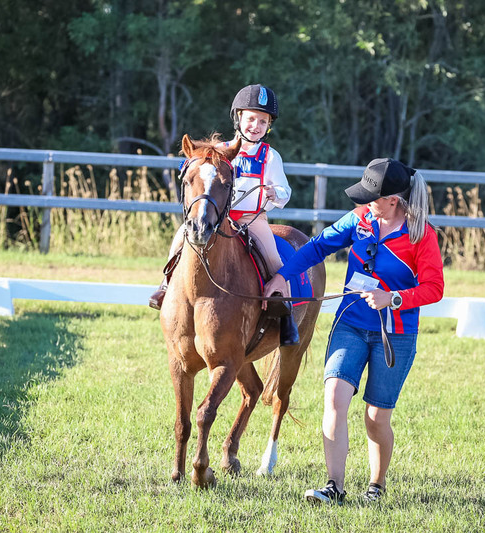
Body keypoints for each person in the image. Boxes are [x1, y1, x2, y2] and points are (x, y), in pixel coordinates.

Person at [263, 158, 444, 504]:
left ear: (393, 200)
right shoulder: (360, 220)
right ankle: (334, 487)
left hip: (396, 335)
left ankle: (376, 487)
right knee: (334, 399)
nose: (365, 203)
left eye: (372, 197)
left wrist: (392, 298)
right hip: (350, 325)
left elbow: (434, 288)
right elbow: (317, 247)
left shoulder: (421, 235)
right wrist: (283, 276)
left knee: (376, 418)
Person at [149, 83, 299, 345]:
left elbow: (285, 190)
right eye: (251, 118)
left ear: (268, 126)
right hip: (221, 219)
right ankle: (165, 285)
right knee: (182, 236)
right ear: (238, 118)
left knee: (274, 260)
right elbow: (198, 170)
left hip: (253, 220)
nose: (256, 125)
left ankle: (285, 317)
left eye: (263, 121)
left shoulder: (270, 157)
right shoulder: (221, 151)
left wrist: (276, 194)